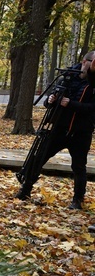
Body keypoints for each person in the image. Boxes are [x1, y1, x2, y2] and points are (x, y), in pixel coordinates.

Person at [17, 51, 95, 209]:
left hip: (81, 133)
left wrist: (71, 104)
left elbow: (93, 108)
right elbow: (50, 101)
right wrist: (51, 100)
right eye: (92, 62)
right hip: (58, 129)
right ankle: (25, 189)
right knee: (39, 157)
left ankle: (77, 200)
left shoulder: (94, 85)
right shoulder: (67, 77)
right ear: (84, 61)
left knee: (79, 167)